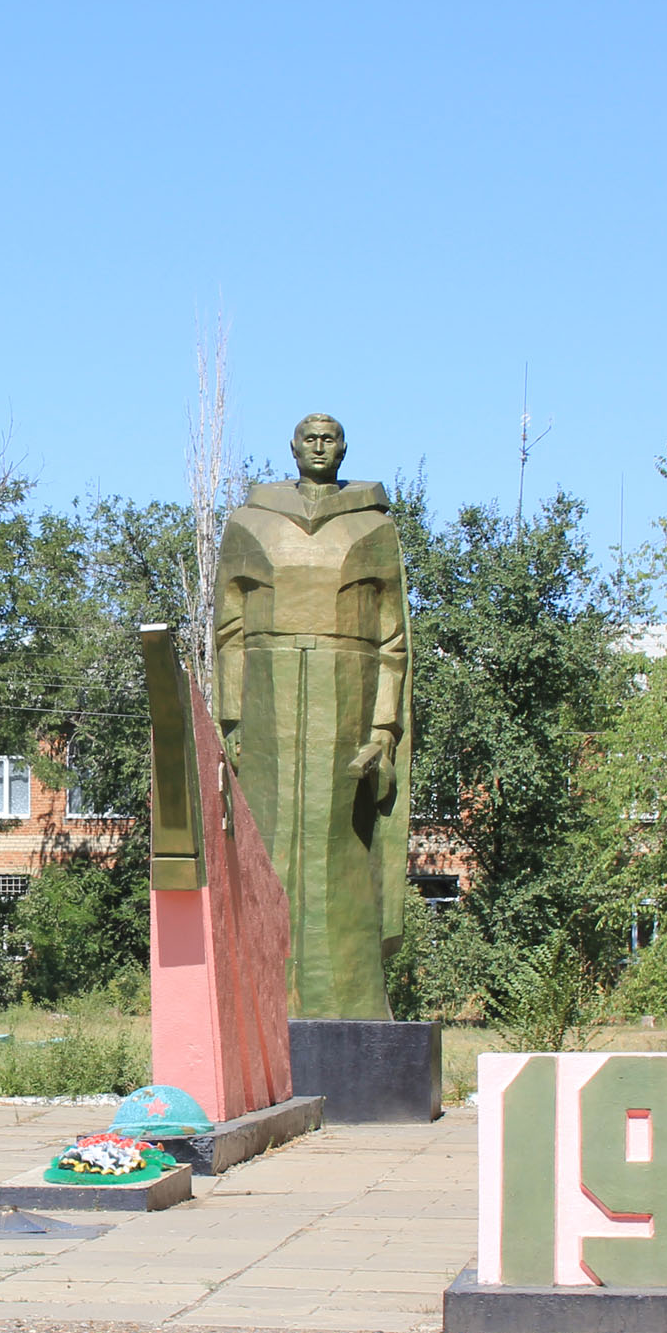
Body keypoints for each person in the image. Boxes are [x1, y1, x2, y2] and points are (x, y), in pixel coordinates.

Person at [211, 413, 409, 1020]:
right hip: (268, 699)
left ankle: (349, 1005)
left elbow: (392, 638)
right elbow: (229, 630)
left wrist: (381, 729)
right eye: (309, 438)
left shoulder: (373, 526)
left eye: (330, 438)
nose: (319, 447)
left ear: (344, 448)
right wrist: (234, 720)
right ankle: (260, 1007)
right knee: (265, 843)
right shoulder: (250, 522)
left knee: (340, 848)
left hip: (345, 690)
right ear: (292, 447)